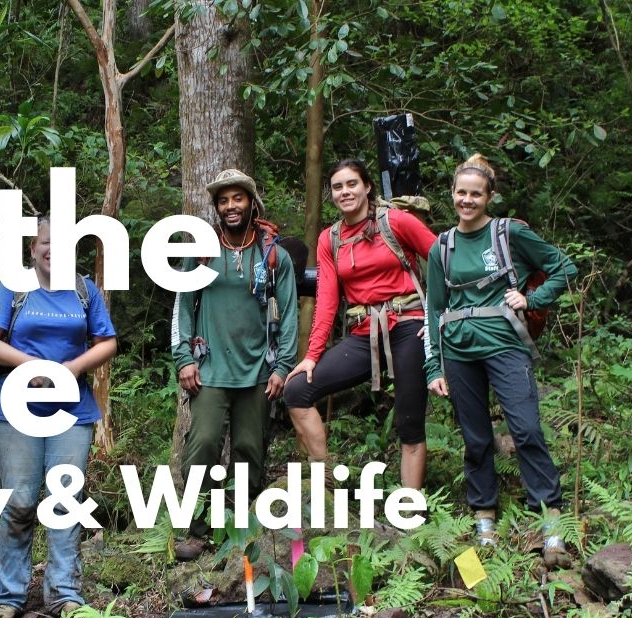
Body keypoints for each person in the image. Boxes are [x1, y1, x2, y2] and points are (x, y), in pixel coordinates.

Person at [423, 154, 577, 567]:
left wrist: (533, 299)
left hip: (505, 345)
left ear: (489, 197)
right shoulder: (442, 247)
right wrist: (434, 367)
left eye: (476, 194)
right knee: (475, 440)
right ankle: (484, 522)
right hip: (458, 351)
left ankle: (551, 525)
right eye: (461, 193)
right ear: (452, 195)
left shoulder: (509, 234)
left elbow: (563, 266)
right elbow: (434, 310)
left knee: (526, 430)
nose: (467, 200)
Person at [0, 217, 117, 618]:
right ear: (32, 248)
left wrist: (72, 368)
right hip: (15, 409)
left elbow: (107, 342)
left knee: (65, 501)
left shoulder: (83, 290)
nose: (52, 249)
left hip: (71, 410)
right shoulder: (14, 287)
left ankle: (64, 593)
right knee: (19, 500)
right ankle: (8, 594)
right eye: (45, 242)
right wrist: (33, 366)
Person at [171, 168, 299, 560]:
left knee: (249, 448)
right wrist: (183, 360)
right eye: (223, 200)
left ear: (251, 201)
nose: (231, 206)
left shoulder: (272, 253)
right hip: (208, 369)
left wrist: (282, 367)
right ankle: (193, 528)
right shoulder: (202, 252)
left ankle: (241, 526)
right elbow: (181, 309)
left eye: (237, 199)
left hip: (258, 370)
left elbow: (290, 313)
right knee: (204, 443)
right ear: (216, 207)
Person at [285, 159, 436, 489]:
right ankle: (324, 480)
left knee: (409, 421)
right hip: (363, 334)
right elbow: (326, 299)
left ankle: (411, 510)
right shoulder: (331, 239)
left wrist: (437, 319)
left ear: (367, 186)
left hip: (409, 326)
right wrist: (312, 355)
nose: (345, 192)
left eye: (351, 184)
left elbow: (443, 260)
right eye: (338, 187)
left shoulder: (397, 222)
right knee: (297, 390)